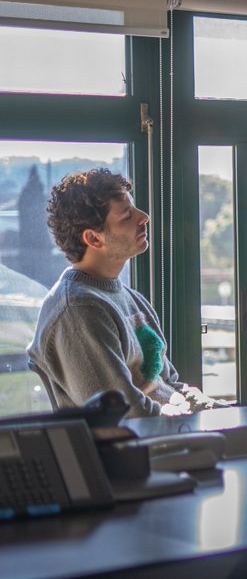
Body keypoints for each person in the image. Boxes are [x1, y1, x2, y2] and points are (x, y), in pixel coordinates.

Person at [27, 169, 224, 417]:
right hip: (146, 450)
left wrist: (219, 413)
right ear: (94, 239)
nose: (144, 217)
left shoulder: (131, 299)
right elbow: (126, 417)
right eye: (126, 216)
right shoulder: (79, 310)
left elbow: (170, 386)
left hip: (176, 437)